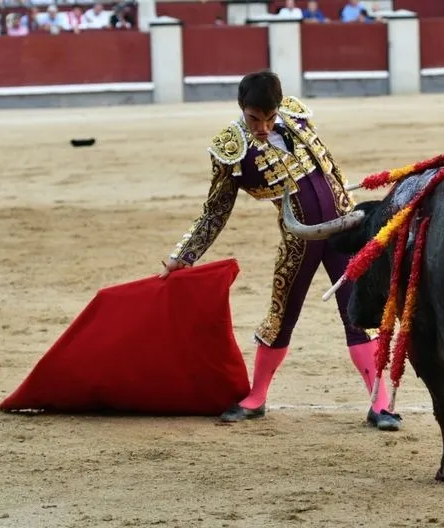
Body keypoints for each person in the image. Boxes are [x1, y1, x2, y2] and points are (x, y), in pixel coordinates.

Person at [160, 70, 402, 432]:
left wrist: (356, 219)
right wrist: (184, 255)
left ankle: (379, 405)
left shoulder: (296, 116)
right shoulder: (232, 148)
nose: (262, 126)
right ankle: (256, 398)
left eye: (269, 117)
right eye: (254, 118)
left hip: (342, 232)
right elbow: (216, 210)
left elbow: (330, 169)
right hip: (300, 241)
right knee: (280, 317)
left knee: (359, 313)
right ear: (242, 108)